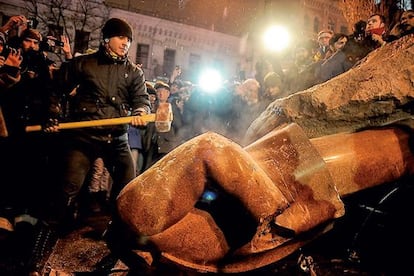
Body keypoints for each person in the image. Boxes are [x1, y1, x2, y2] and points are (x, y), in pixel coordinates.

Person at [51, 17, 151, 233]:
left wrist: (141, 112)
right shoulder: (83, 64)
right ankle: (43, 247)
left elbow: (141, 100)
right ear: (107, 39)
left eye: (129, 40)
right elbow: (55, 90)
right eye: (121, 37)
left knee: (129, 189)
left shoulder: (134, 73)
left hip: (116, 139)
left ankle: (119, 235)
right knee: (67, 189)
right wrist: (52, 114)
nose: (126, 43)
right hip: (83, 138)